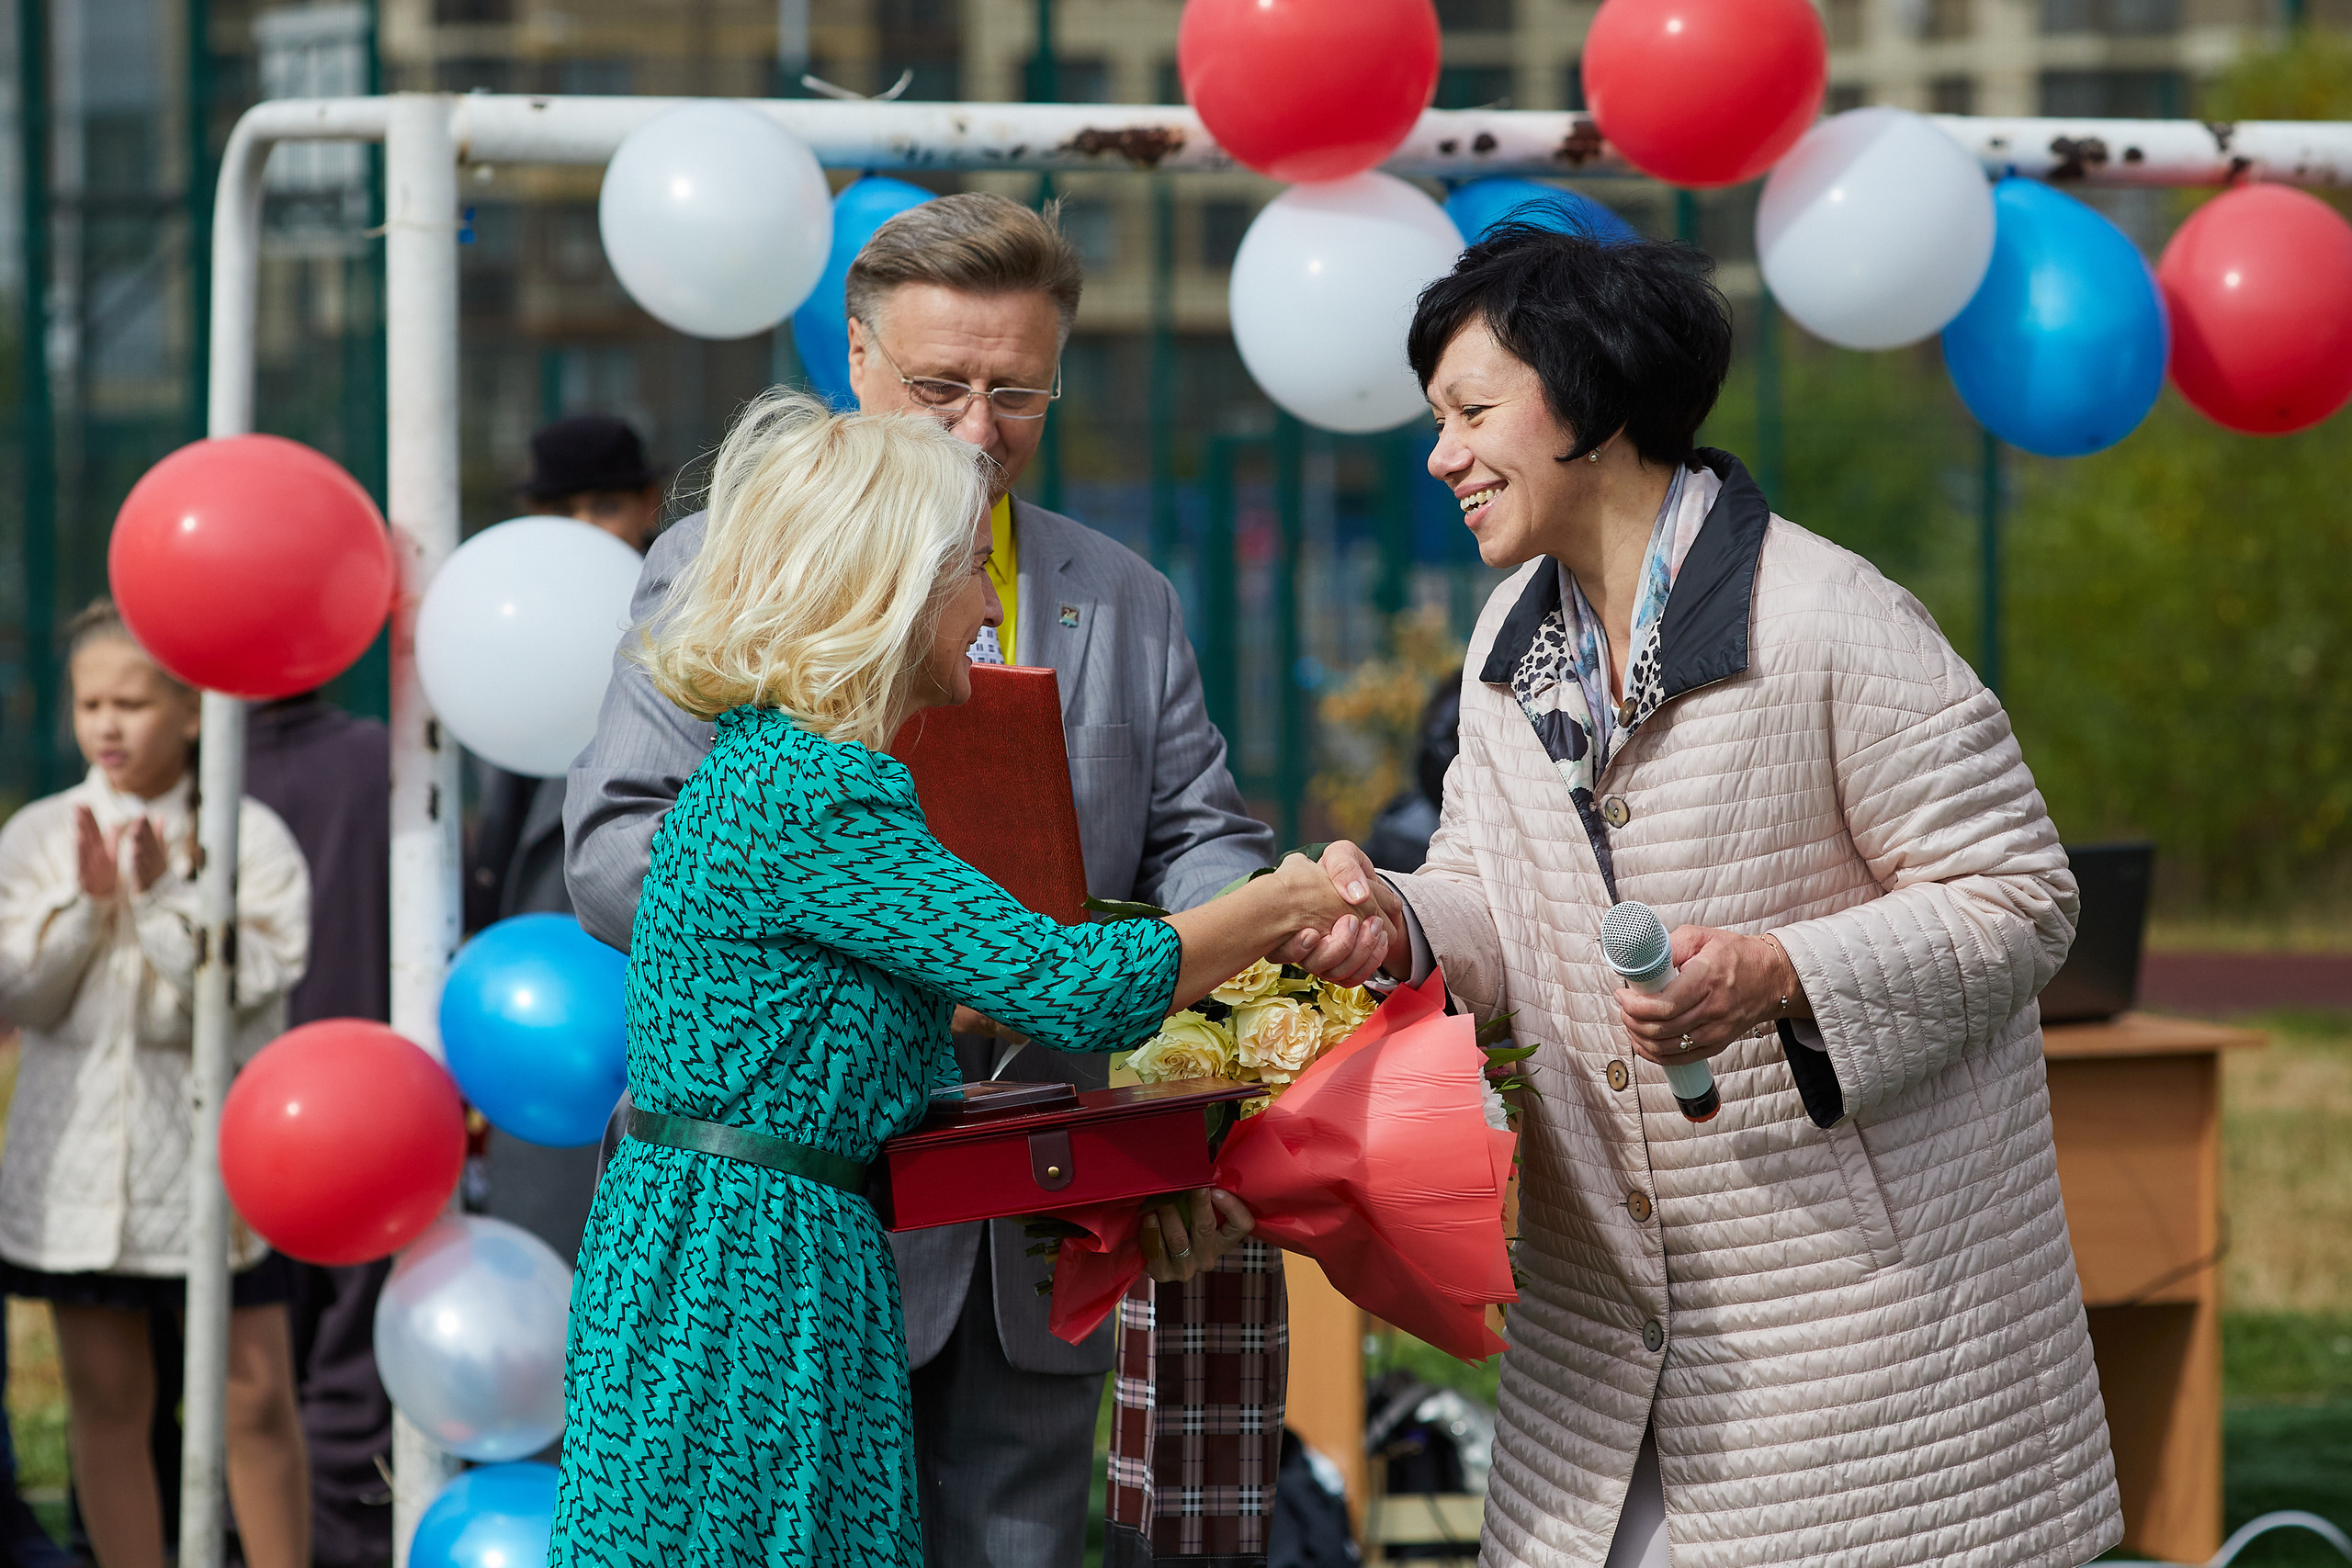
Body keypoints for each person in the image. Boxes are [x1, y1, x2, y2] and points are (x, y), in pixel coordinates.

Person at [1292, 226, 2122, 1568]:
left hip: (1858, 1343)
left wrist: (1780, 973)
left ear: (1596, 400)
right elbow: (1489, 890)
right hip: (1605, 1323)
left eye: (1471, 413)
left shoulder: (1832, 617)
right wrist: (1394, 917)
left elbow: (2020, 897)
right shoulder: (1508, 637)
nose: (1441, 456)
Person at [565, 193, 1293, 1567]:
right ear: (855, 358)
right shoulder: (739, 582)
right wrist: (910, 950)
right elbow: (614, 852)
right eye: (941, 384)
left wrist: (1183, 1090)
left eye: (1015, 393)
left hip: (1027, 1209)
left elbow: (1201, 834)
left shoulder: (1125, 592)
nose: (975, 428)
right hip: (786, 1228)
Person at [0, 602, 313, 1568]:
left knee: (253, 1396)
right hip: (80, 1166)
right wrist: (86, 906)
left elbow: (249, 987)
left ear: (190, 711)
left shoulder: (247, 833)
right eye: (90, 703)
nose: (107, 725)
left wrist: (160, 897)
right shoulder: (41, 834)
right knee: (106, 1400)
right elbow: (23, 993)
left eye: (131, 703)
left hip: (218, 1164)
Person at [466, 412, 669, 1269]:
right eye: (562, 511)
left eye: (604, 506)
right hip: (530, 1011)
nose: (583, 531)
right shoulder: (509, 634)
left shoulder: (684, 636)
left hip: (644, 1002)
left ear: (649, 505)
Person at [243, 690, 395, 1568]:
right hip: (373, 1105)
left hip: (240, 1111)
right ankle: (351, 1531)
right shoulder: (381, 761)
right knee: (352, 1336)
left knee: (244, 1350)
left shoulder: (190, 770)